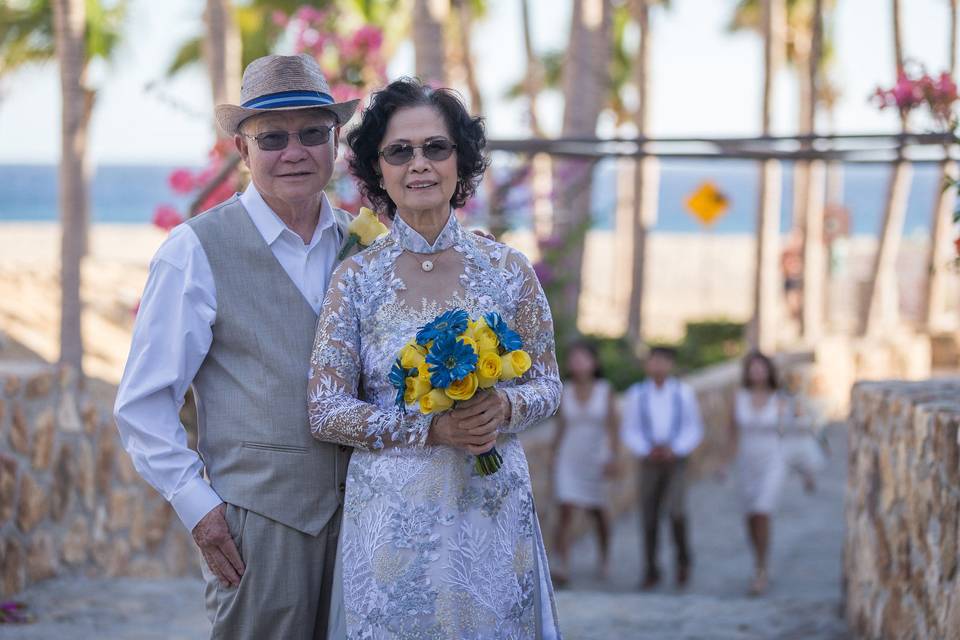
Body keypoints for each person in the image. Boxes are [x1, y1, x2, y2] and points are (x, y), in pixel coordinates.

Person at [114, 54, 362, 639]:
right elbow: (144, 405)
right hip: (260, 529)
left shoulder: (364, 243)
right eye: (272, 137)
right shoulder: (194, 250)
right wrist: (199, 509)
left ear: (336, 142)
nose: (294, 151)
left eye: (312, 133)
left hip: (369, 523)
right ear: (242, 151)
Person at [307, 77, 563, 638]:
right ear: (379, 169)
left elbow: (547, 386)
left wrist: (502, 410)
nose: (418, 164)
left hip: (489, 511)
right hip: (393, 523)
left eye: (435, 148)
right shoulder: (355, 280)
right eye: (400, 151)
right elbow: (325, 410)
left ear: (460, 160)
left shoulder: (508, 270)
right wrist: (432, 430)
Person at [727, 351, 816, 596]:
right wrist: (726, 463)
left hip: (773, 460)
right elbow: (731, 431)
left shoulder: (782, 400)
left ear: (769, 371)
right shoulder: (738, 397)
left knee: (762, 511)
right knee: (749, 516)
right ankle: (757, 557)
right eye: (752, 368)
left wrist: (806, 470)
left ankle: (761, 567)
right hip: (746, 462)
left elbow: (798, 433)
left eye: (761, 368)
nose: (757, 372)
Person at [621, 346, 704, 590]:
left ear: (671, 365)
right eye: (654, 361)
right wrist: (647, 449)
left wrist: (675, 449)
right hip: (648, 461)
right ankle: (651, 568)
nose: (658, 366)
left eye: (663, 361)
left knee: (677, 511)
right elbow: (630, 429)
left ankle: (683, 560)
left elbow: (693, 428)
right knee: (649, 515)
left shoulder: (683, 393)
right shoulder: (637, 394)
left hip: (675, 461)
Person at [550, 340, 620, 585]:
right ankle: (562, 565)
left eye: (583, 357)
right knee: (566, 508)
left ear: (594, 362)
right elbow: (560, 428)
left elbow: (614, 427)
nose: (578, 363)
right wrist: (554, 456)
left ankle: (604, 556)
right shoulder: (564, 390)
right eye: (574, 358)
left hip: (596, 457)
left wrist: (613, 457)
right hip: (569, 457)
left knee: (597, 511)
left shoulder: (605, 390)